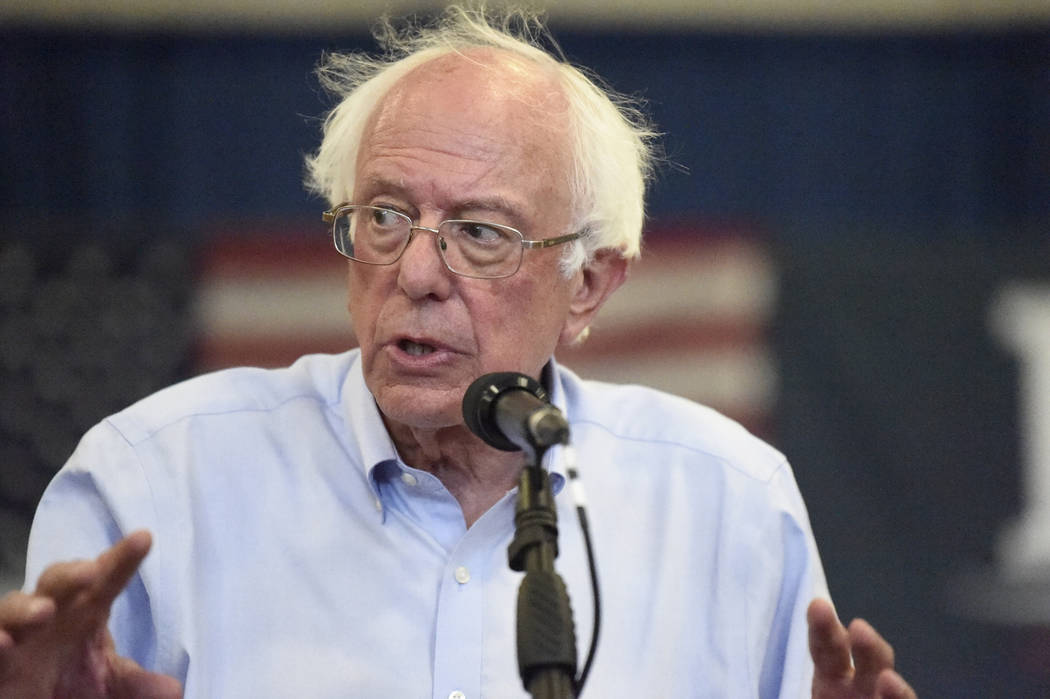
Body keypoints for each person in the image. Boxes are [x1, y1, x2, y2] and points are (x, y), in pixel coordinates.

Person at [0, 6, 915, 698]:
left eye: (480, 232)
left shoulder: (726, 501)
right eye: (386, 217)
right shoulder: (150, 480)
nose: (418, 271)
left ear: (589, 283)